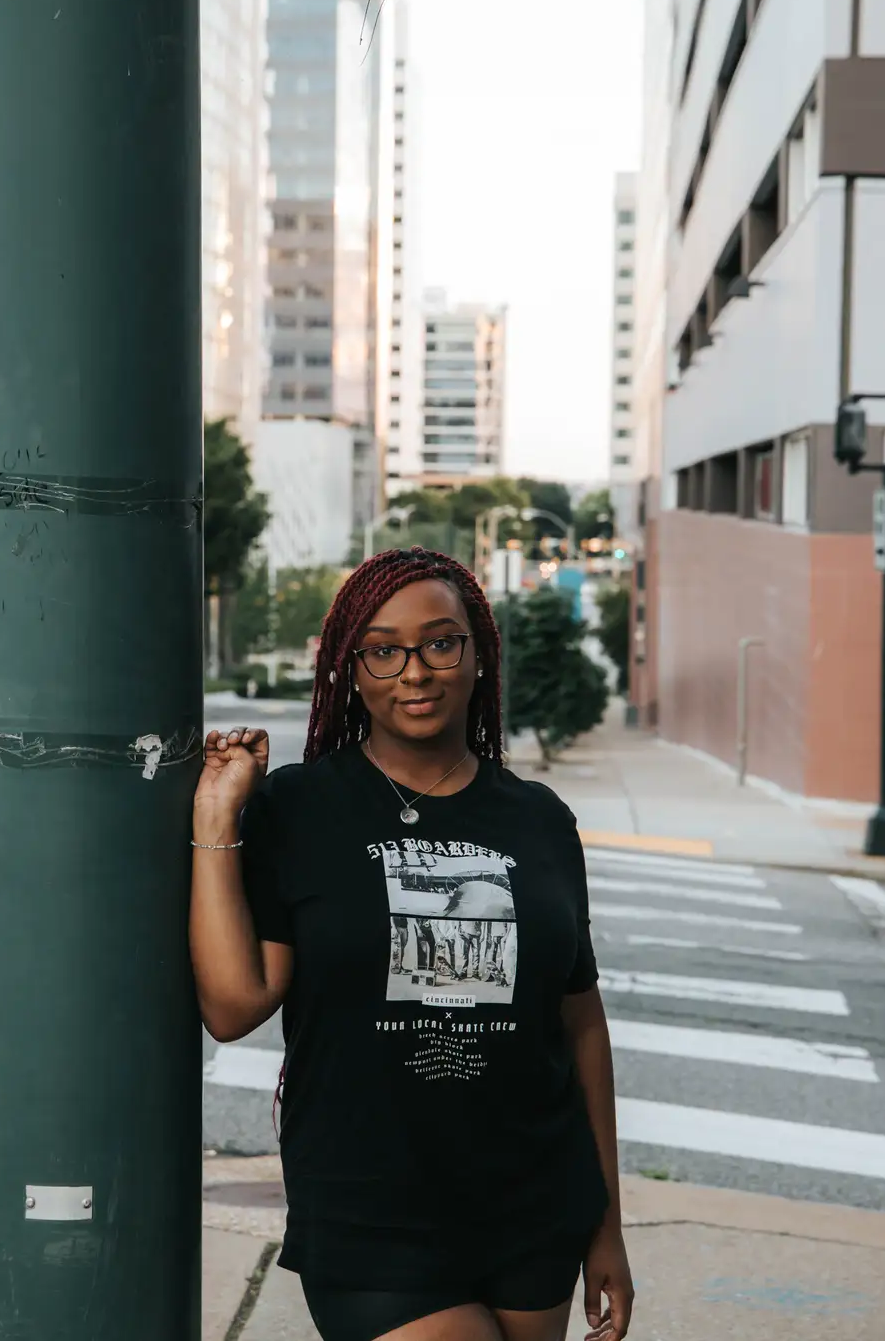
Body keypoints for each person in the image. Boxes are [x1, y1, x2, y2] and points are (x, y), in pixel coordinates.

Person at [190, 546, 634, 1341]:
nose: (416, 670)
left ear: (477, 655)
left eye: (440, 642)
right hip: (370, 1211)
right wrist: (218, 819)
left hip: (532, 1203)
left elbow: (581, 1027)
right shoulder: (300, 808)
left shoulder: (540, 820)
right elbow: (232, 1005)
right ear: (350, 670)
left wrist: (605, 1223)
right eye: (383, 649)